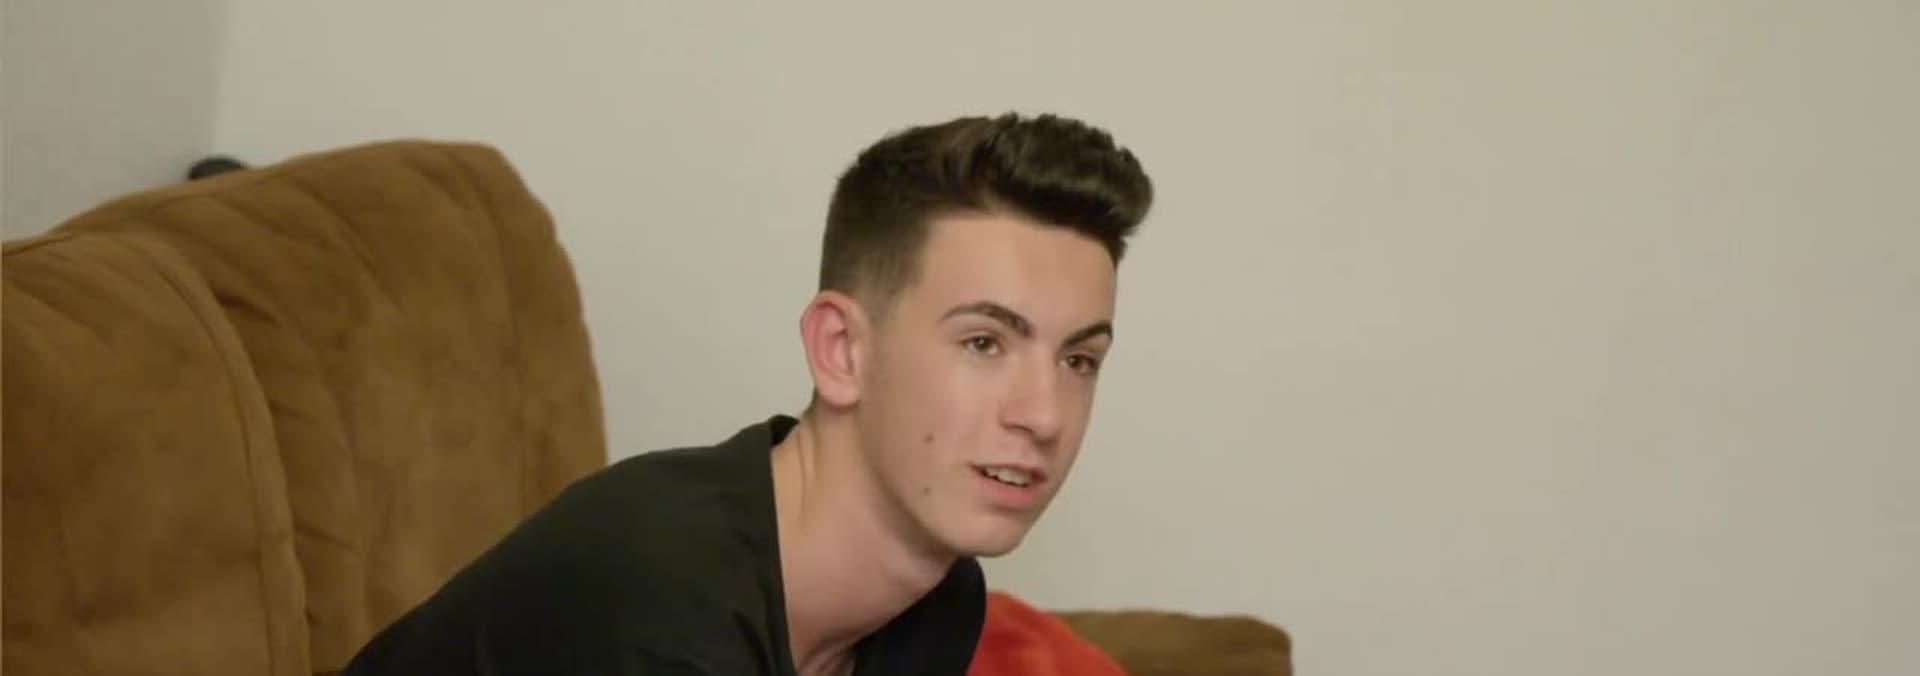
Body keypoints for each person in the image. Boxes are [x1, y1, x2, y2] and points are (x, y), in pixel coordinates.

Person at [342, 111, 1155, 676]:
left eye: (1079, 359)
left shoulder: (936, 602)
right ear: (841, 351)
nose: (1043, 414)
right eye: (984, 343)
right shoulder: (659, 602)